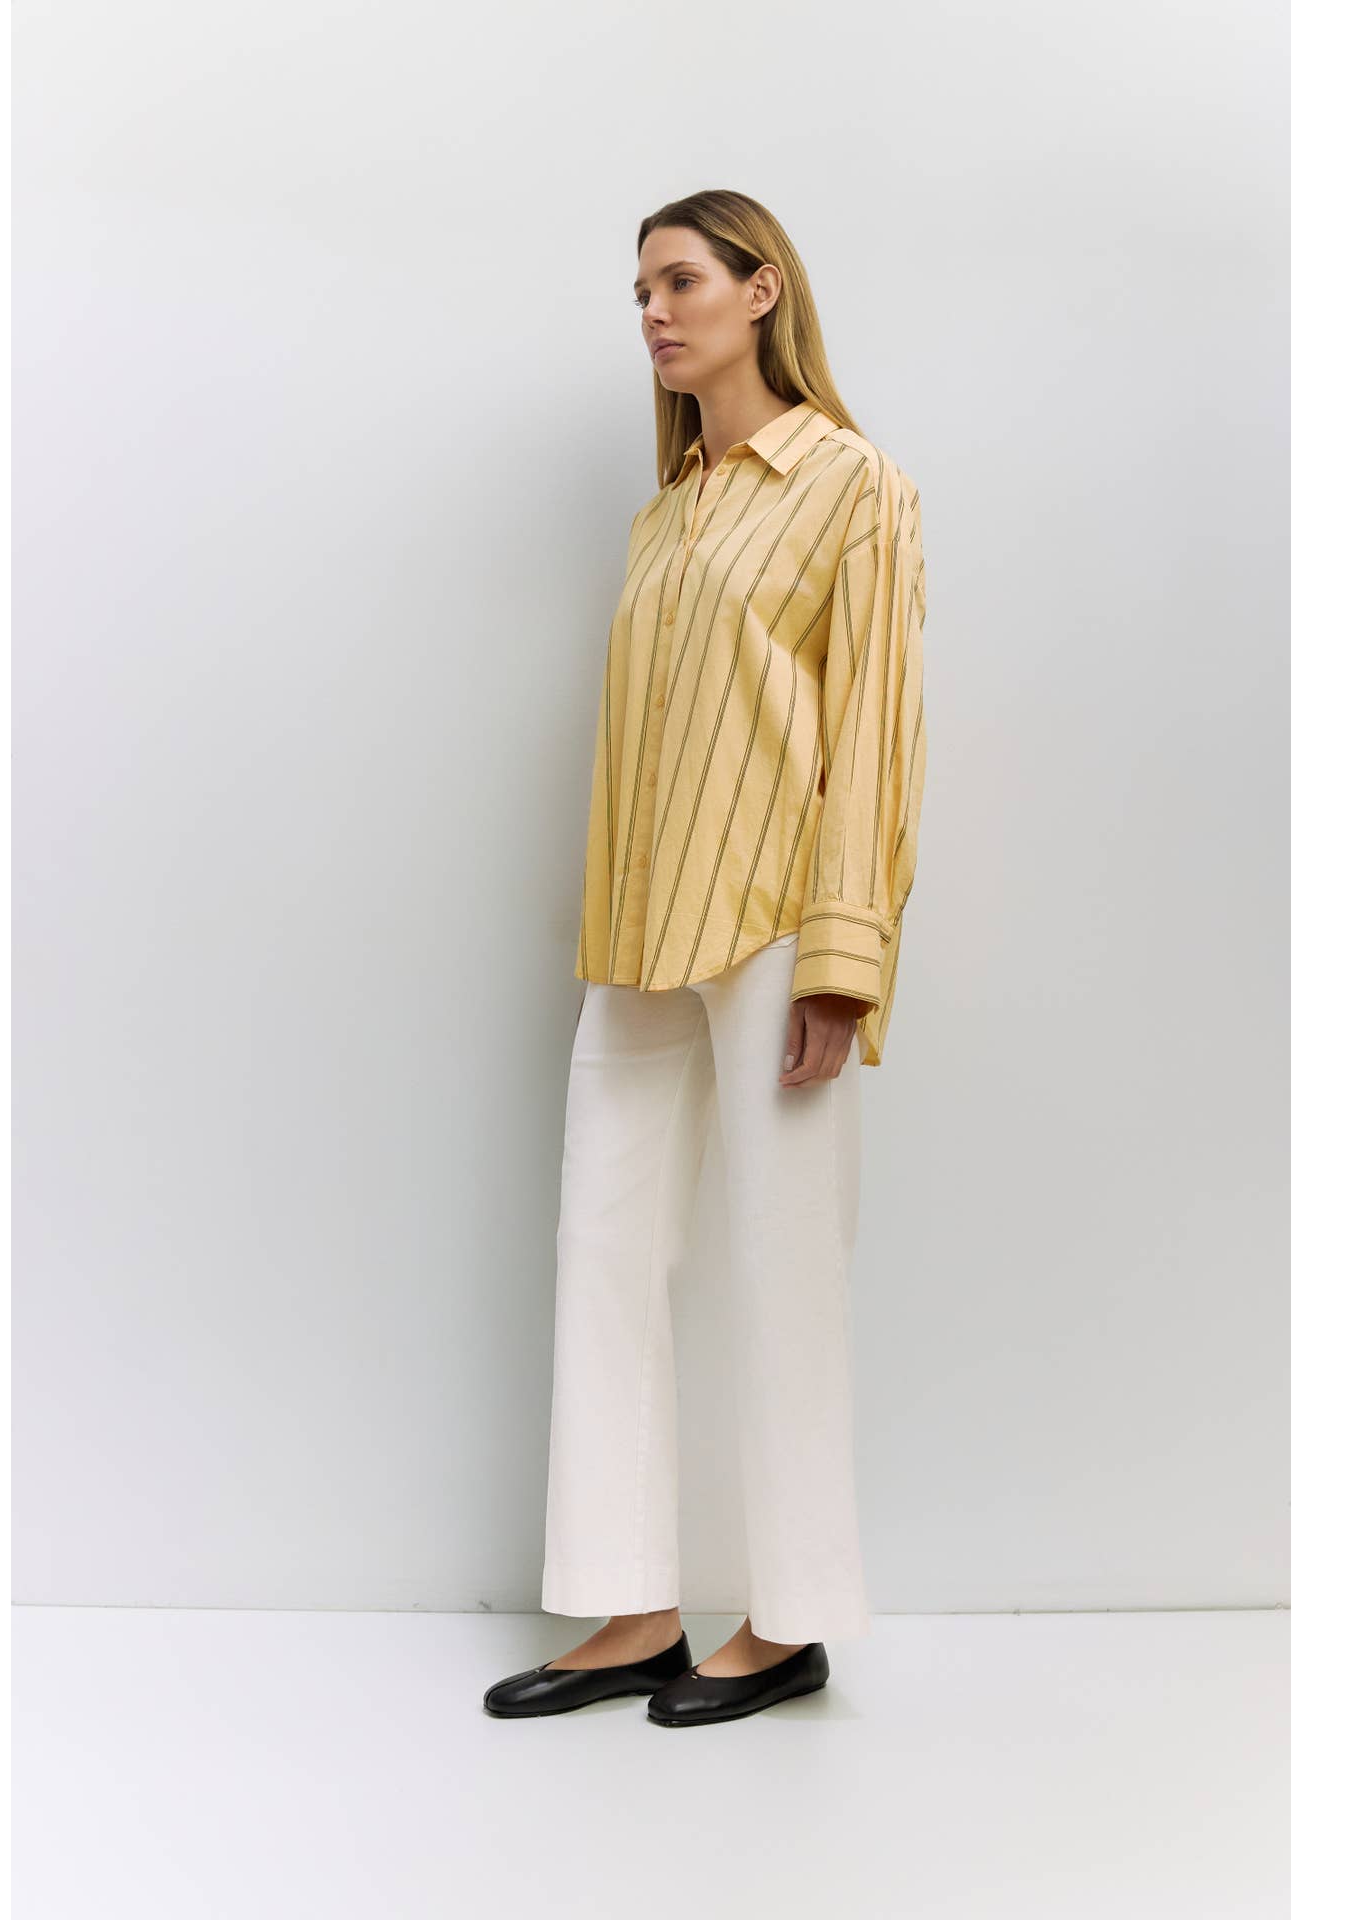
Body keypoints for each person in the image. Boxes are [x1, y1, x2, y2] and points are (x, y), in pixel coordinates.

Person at [484, 189, 927, 1729]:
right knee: (604, 1250)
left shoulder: (853, 484)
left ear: (761, 291)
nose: (656, 313)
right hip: (638, 931)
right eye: (640, 293)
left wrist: (844, 959)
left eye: (680, 281)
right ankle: (635, 1609)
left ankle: (790, 1623)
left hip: (778, 925)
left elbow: (877, 730)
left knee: (787, 1266)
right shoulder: (666, 513)